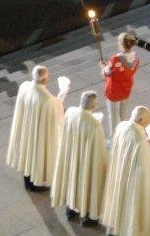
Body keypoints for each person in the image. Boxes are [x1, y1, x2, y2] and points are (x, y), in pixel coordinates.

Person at [6, 64, 68, 192]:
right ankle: (34, 184)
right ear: (45, 79)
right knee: (36, 155)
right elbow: (58, 109)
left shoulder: (24, 87)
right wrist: (63, 91)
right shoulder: (47, 99)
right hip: (37, 132)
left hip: (26, 128)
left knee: (27, 154)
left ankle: (27, 181)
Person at [101, 105, 150, 236]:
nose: (146, 126)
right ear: (140, 120)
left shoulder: (122, 126)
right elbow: (145, 166)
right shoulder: (140, 140)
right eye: (146, 123)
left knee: (119, 200)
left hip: (120, 171)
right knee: (130, 205)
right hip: (132, 178)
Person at [51, 90, 107, 227]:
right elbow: (99, 151)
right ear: (93, 106)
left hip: (72, 156)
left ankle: (71, 210)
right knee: (87, 185)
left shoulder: (70, 112)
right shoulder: (95, 126)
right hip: (86, 161)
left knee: (72, 180)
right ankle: (89, 216)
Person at [103, 33, 140, 137]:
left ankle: (114, 139)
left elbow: (107, 72)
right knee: (123, 115)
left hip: (113, 90)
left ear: (121, 44)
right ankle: (125, 136)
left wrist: (103, 67)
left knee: (113, 117)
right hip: (126, 88)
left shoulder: (115, 59)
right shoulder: (136, 59)